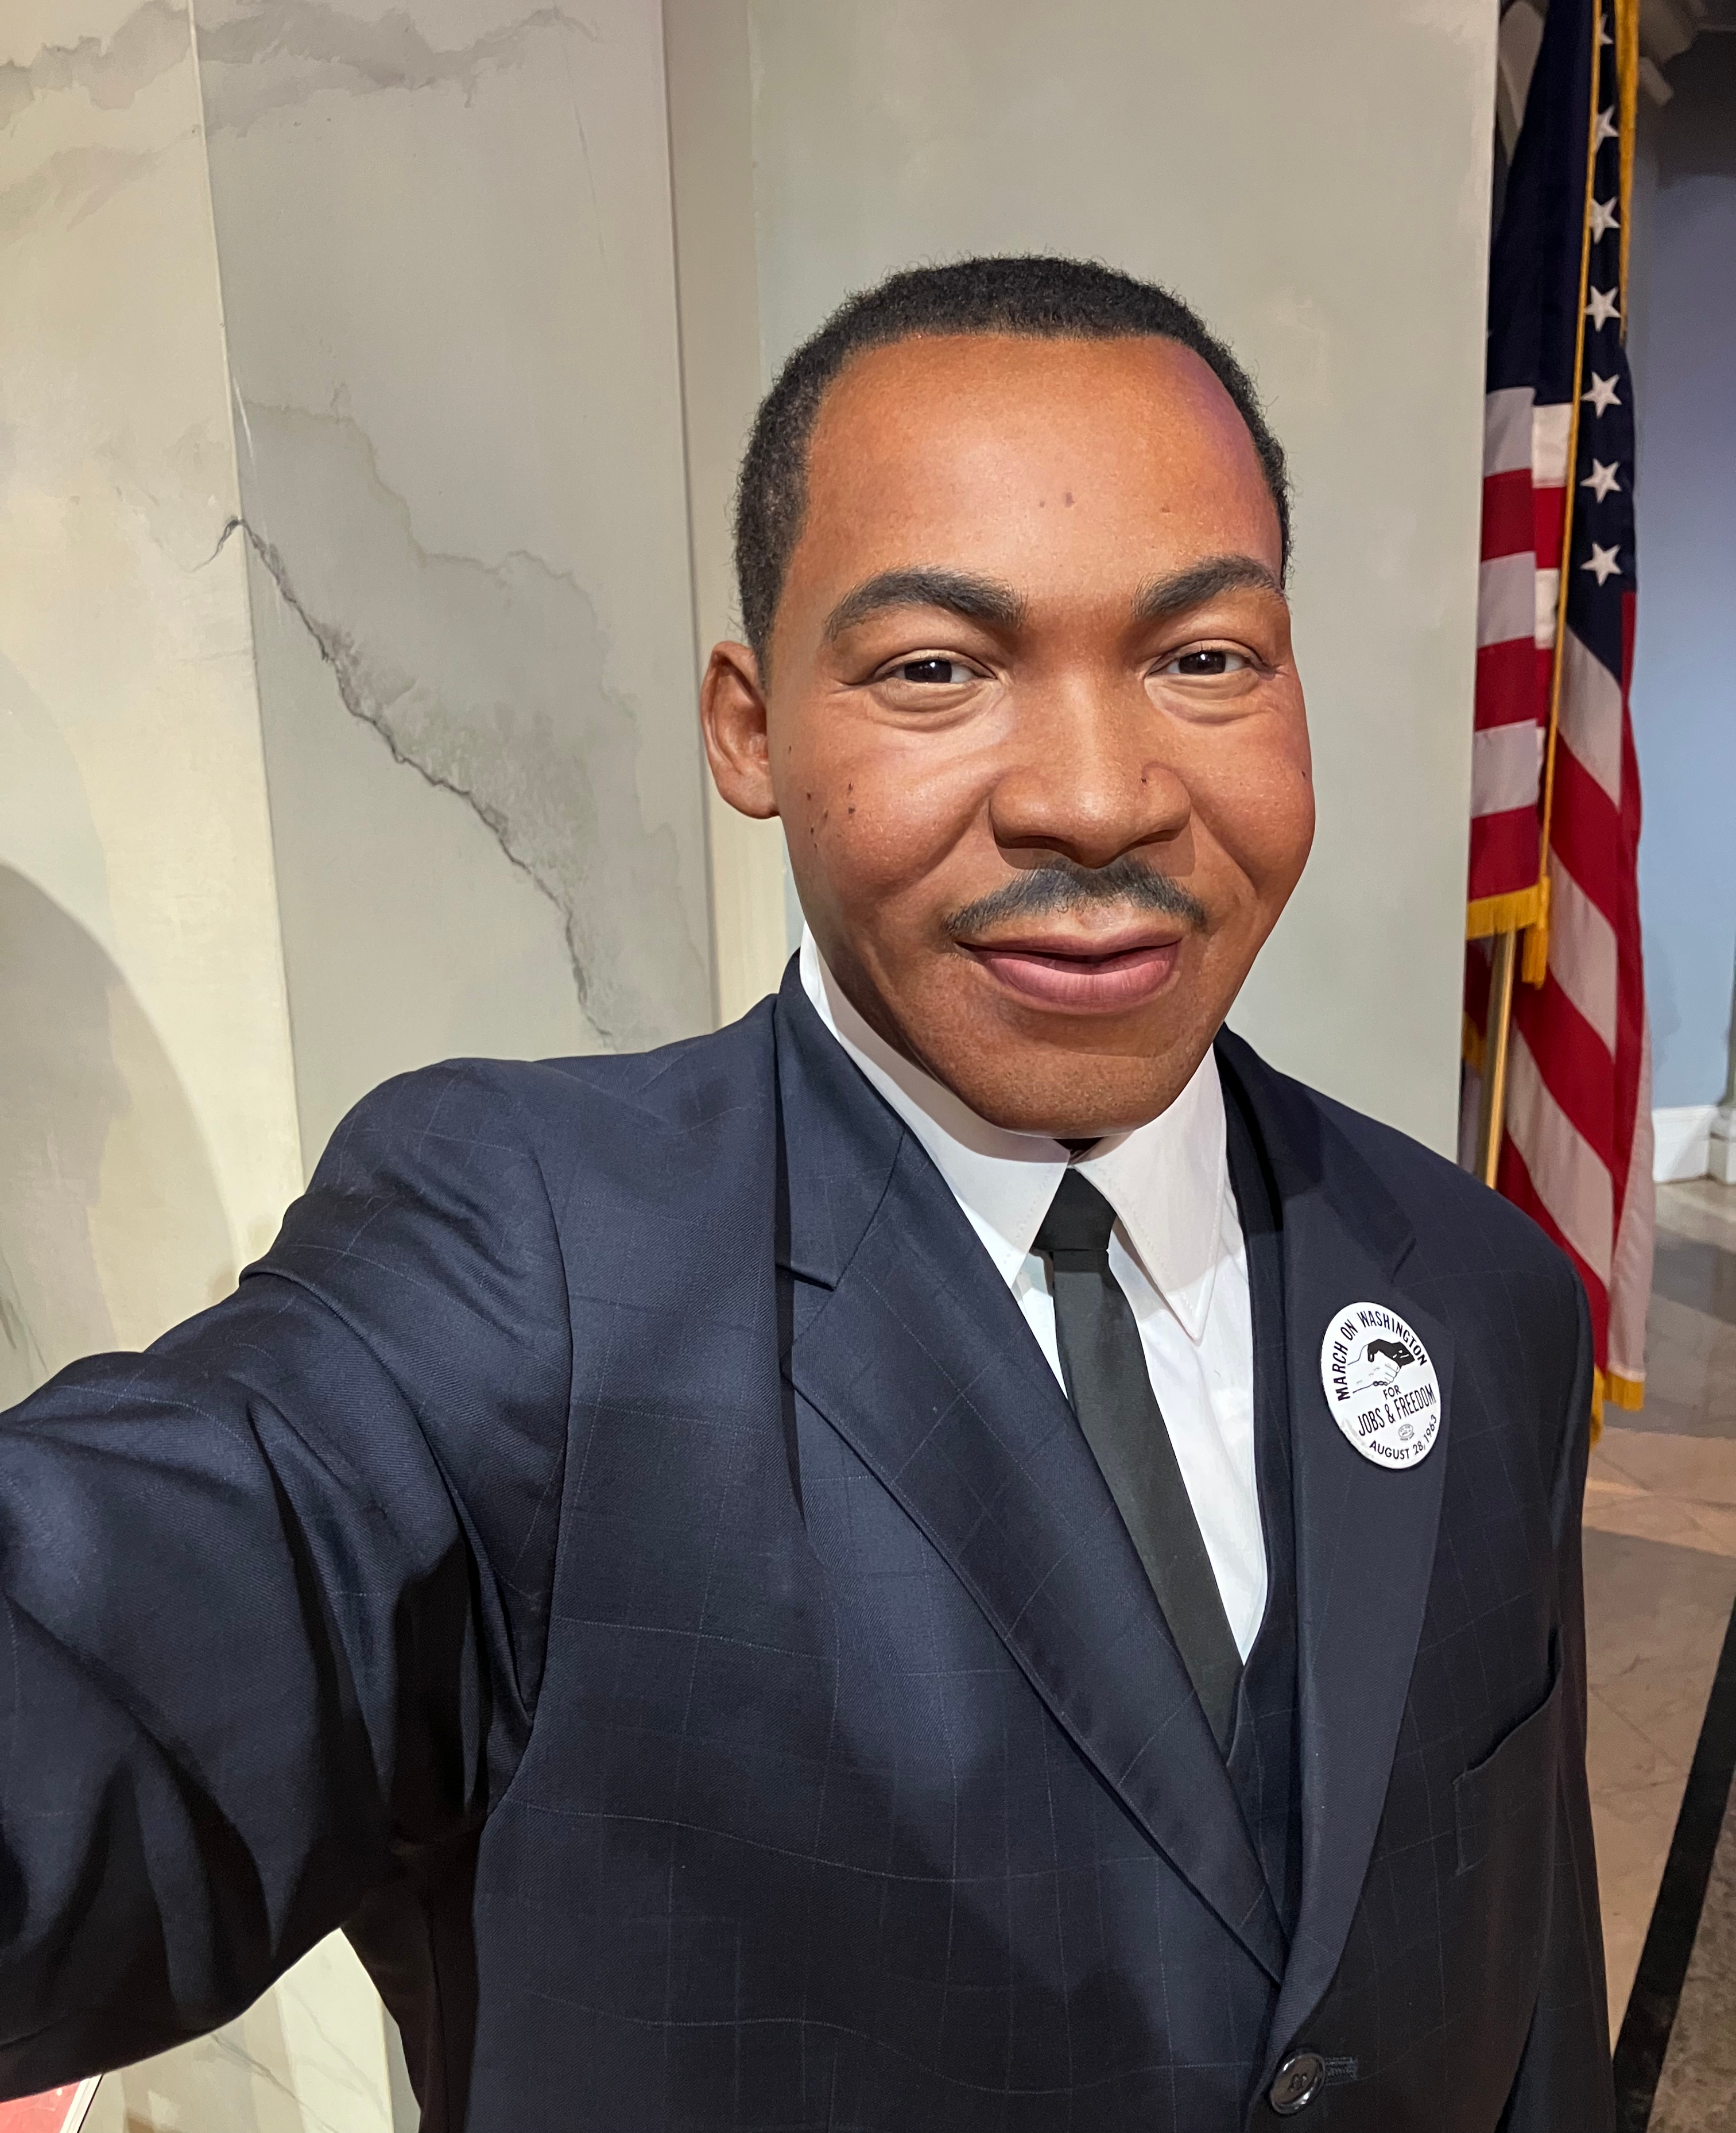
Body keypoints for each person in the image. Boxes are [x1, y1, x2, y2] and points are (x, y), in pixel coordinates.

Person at [0, 258, 1611, 2132]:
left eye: (1203, 659)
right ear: (750, 728)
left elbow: (1530, 2014)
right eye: (939, 668)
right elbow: (136, 1627)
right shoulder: (525, 1268)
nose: (1099, 797)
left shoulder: (1485, 1296)